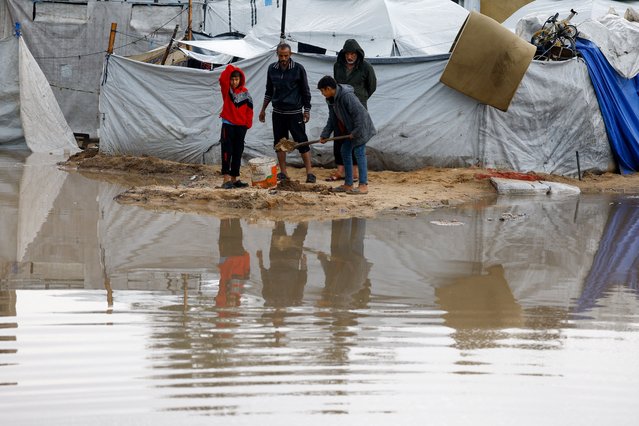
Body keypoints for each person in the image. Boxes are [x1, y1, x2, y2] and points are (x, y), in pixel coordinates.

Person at [258, 43, 316, 183]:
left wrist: (306, 110)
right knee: (279, 143)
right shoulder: (272, 69)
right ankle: (283, 172)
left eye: (286, 55)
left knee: (302, 141)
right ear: (277, 54)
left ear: (291, 55)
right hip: (278, 112)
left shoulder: (298, 69)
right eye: (281, 55)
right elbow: (269, 91)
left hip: (295, 112)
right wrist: (263, 110)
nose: (283, 58)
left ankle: (309, 173)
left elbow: (305, 91)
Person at [327, 39, 377, 182]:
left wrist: (360, 98)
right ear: (343, 54)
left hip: (357, 107)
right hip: (340, 108)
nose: (350, 57)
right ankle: (341, 170)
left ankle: (355, 173)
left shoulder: (366, 67)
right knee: (339, 137)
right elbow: (336, 85)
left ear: (358, 54)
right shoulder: (338, 66)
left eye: (353, 54)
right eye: (347, 54)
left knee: (356, 138)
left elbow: (371, 86)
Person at [318, 76, 376, 195]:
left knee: (359, 153)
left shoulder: (347, 96)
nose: (322, 93)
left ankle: (363, 185)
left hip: (360, 128)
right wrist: (325, 134)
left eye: (322, 91)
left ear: (328, 88)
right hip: (350, 130)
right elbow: (332, 119)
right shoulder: (331, 99)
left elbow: (360, 115)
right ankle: (348, 184)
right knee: (345, 150)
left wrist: (355, 133)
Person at [219, 64, 253, 189]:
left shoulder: (246, 93)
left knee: (238, 152)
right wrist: (232, 68)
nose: (234, 82)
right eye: (232, 79)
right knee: (227, 152)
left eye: (237, 79)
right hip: (228, 126)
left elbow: (250, 110)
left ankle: (234, 179)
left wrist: (247, 125)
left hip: (241, 127)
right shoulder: (227, 91)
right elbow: (222, 78)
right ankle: (226, 179)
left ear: (241, 80)